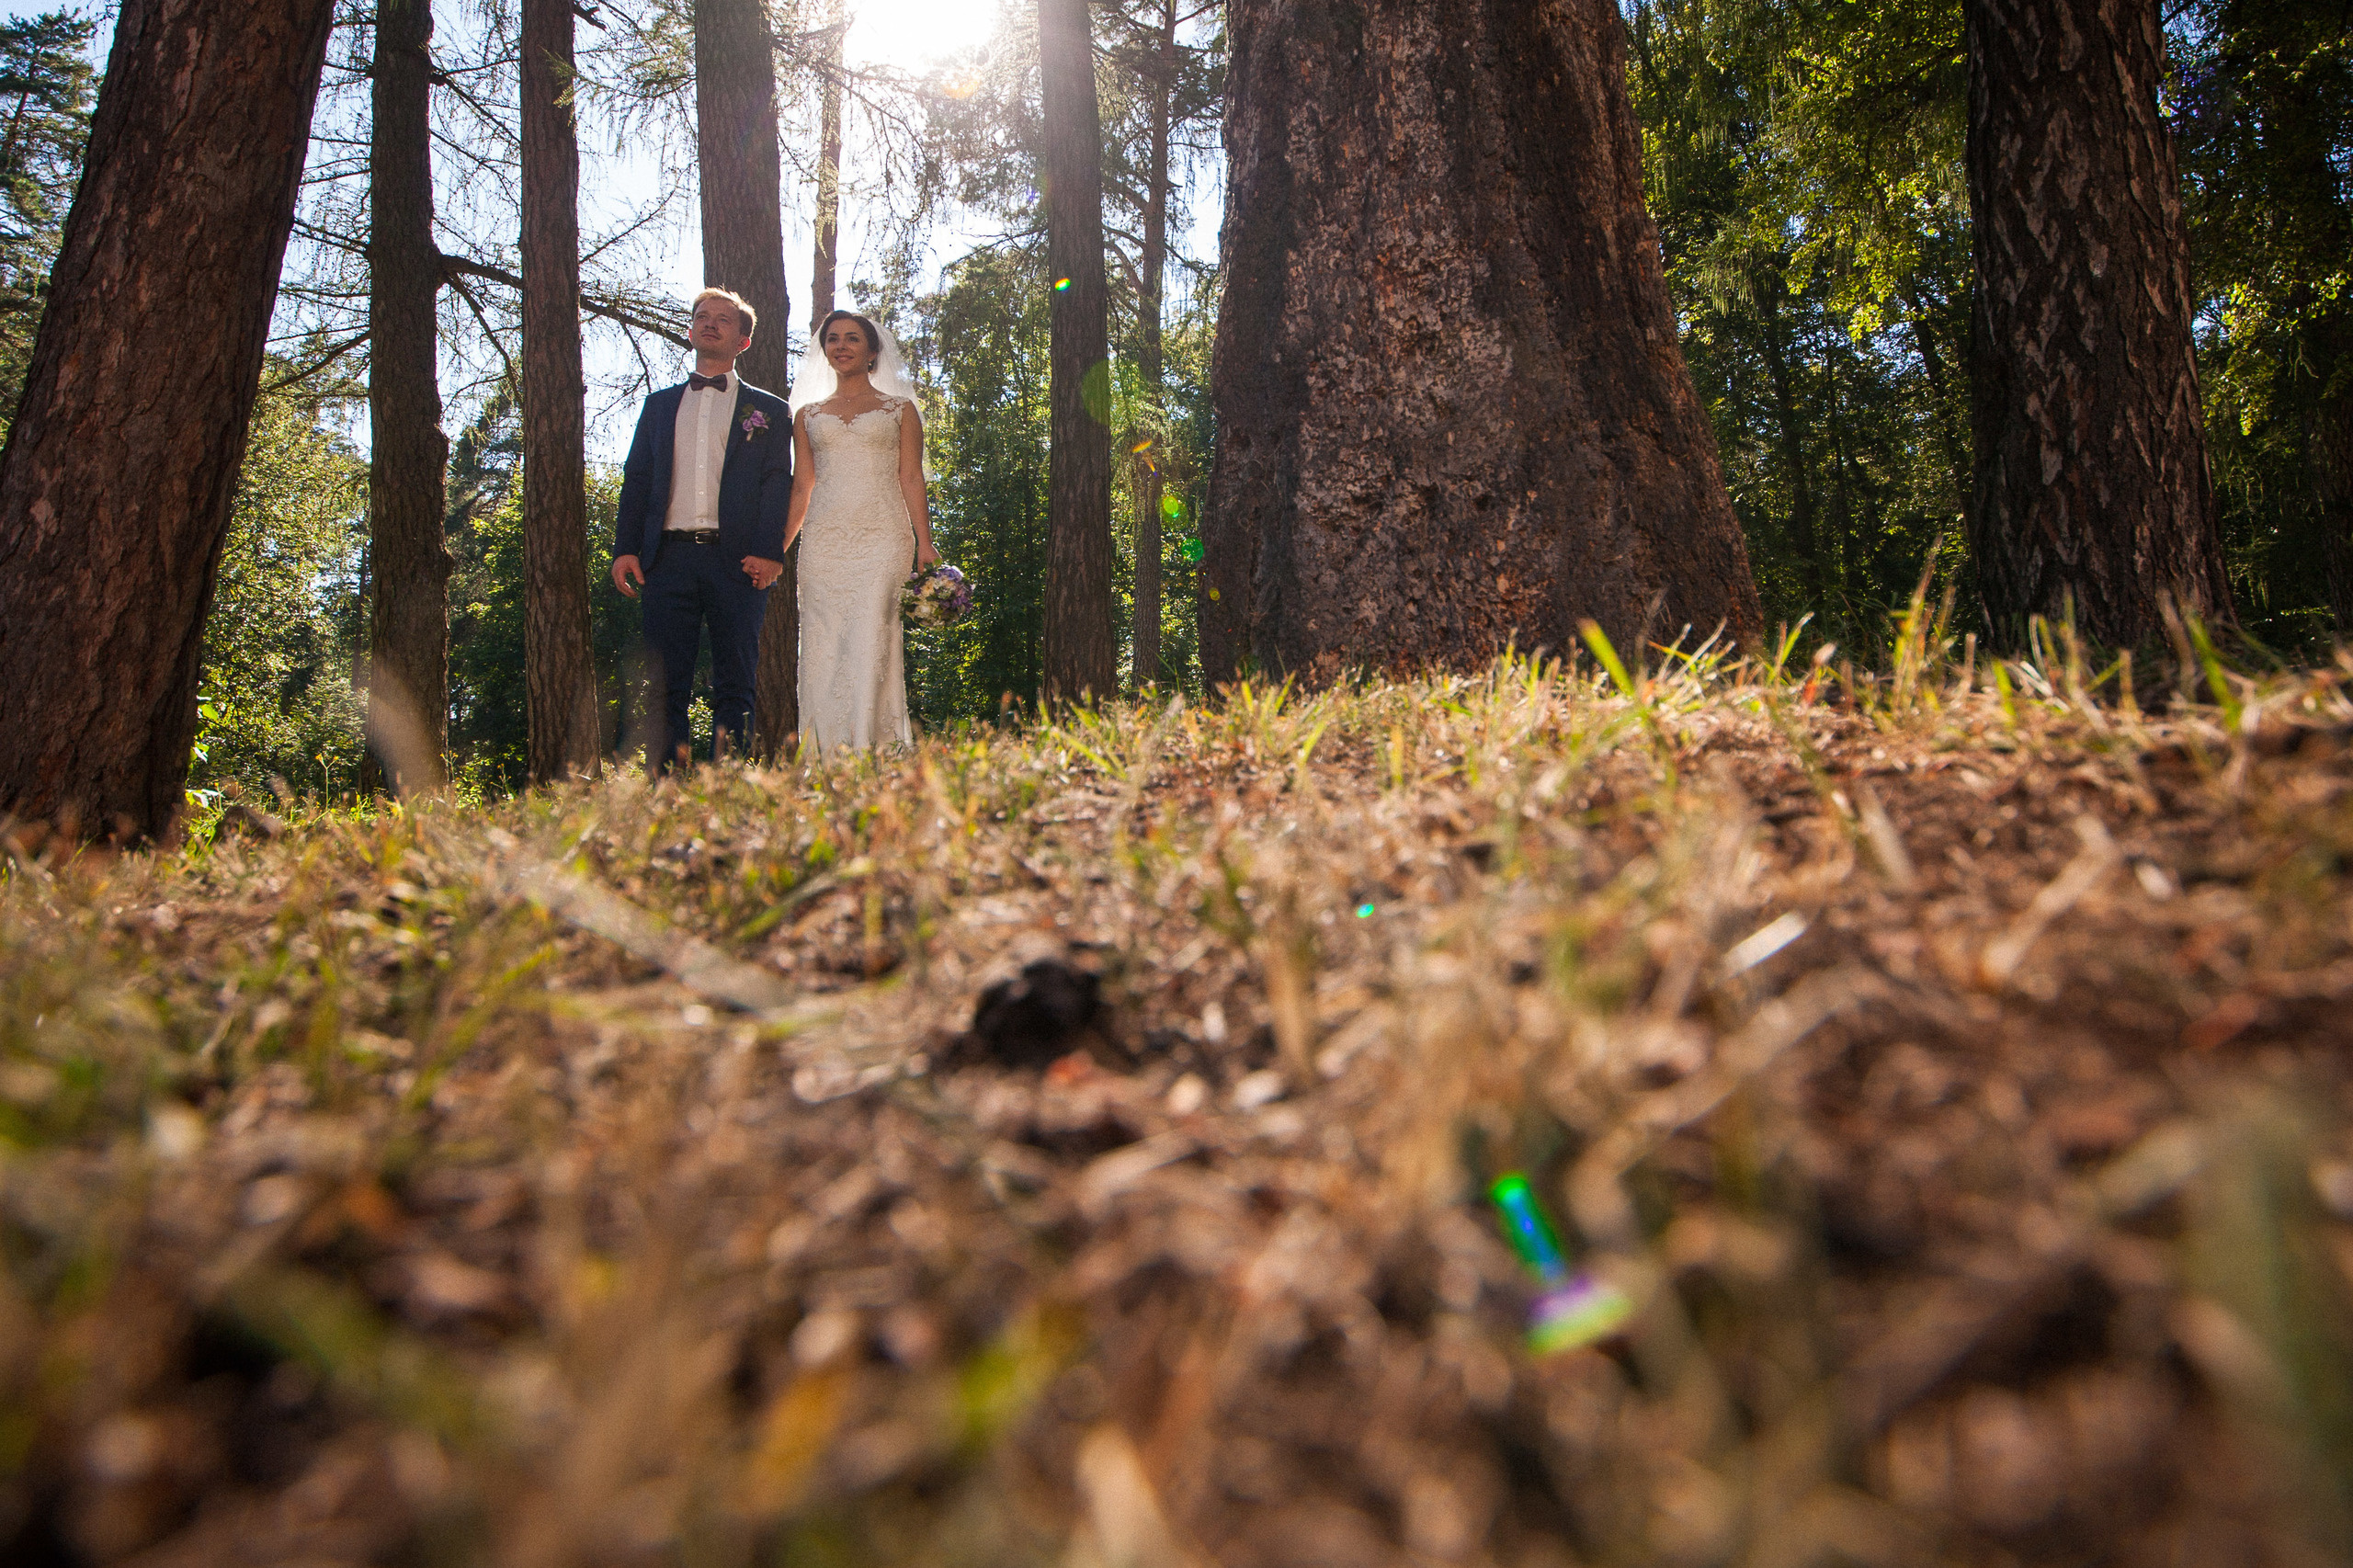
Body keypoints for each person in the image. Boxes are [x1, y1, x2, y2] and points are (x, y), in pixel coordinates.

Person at [610, 288, 792, 769]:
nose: (710, 323)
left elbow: (779, 484)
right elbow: (638, 478)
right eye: (702, 317)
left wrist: (770, 551)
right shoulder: (657, 406)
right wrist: (625, 548)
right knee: (667, 682)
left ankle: (727, 789)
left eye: (724, 319)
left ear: (743, 341)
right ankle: (667, 788)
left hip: (738, 562)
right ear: (690, 331)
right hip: (665, 562)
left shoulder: (770, 411)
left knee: (736, 681)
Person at [783, 310, 939, 752]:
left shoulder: (900, 410)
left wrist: (924, 543)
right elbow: (802, 485)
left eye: (852, 338)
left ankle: (878, 752)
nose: (841, 346)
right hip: (823, 541)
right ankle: (826, 756)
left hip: (882, 537)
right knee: (823, 643)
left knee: (874, 637)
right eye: (833, 339)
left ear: (872, 352)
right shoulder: (807, 416)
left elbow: (911, 477)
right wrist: (780, 547)